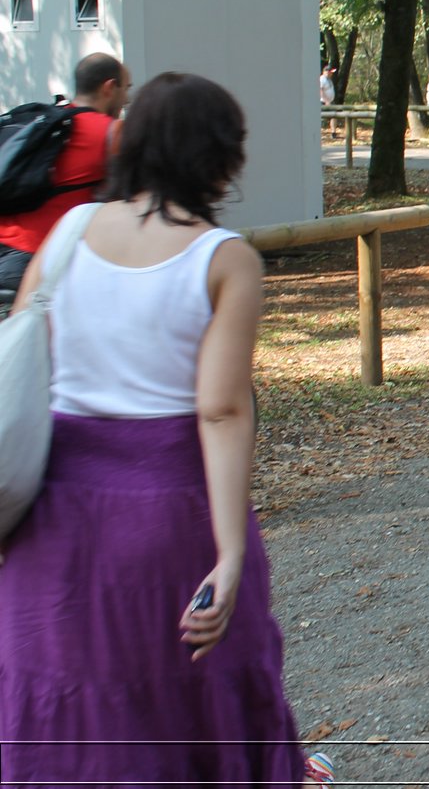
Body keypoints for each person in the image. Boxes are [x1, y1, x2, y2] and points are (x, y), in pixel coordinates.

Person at [0, 72, 332, 785]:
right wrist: (231, 552)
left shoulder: (66, 234)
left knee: (69, 706)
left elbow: (23, 357)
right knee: (188, 703)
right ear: (220, 158)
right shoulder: (224, 258)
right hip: (169, 511)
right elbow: (220, 408)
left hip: (55, 516)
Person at [0, 53, 129, 317]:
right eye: (126, 89)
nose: (127, 99)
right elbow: (131, 206)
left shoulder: (46, 122)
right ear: (109, 87)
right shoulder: (113, 133)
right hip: (36, 262)